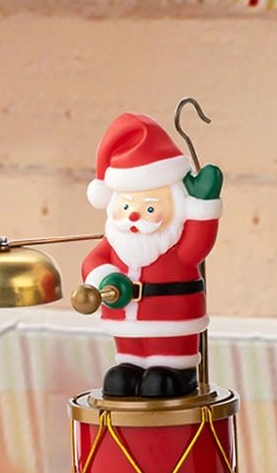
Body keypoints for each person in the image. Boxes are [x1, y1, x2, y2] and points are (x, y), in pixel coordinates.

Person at [78, 111, 223, 400]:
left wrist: (203, 207)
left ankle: (175, 371)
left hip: (172, 314)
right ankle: (131, 366)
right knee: (123, 375)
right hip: (124, 321)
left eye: (150, 208)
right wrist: (104, 277)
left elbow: (198, 247)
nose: (134, 216)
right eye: (126, 206)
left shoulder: (175, 246)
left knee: (161, 379)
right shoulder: (116, 242)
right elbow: (91, 262)